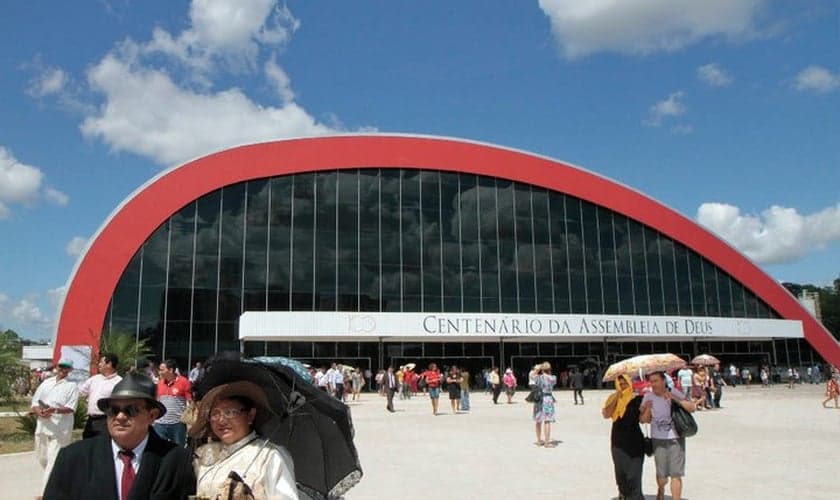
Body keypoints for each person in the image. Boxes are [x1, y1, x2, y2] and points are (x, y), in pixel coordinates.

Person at [43, 372, 196, 499]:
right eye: (114, 410)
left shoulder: (177, 460)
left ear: (152, 415)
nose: (120, 417)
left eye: (131, 410)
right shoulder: (73, 457)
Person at [190, 381, 298, 499]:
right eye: (215, 414)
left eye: (230, 412)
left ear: (250, 415)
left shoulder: (269, 456)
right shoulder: (206, 454)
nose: (221, 420)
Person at [640, 372, 696, 500]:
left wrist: (674, 398)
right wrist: (648, 409)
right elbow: (643, 420)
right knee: (661, 474)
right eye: (651, 381)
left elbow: (692, 408)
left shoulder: (674, 392)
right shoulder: (648, 396)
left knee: (676, 473)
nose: (653, 384)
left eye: (656, 381)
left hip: (675, 437)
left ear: (663, 381)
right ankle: (661, 489)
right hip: (658, 438)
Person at [31, 359, 80, 491]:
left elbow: (71, 408)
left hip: (60, 428)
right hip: (43, 425)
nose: (63, 369)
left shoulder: (72, 386)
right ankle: (61, 478)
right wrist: (39, 411)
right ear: (57, 367)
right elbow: (35, 401)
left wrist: (54, 410)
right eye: (61, 366)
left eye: (66, 367)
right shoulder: (47, 383)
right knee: (42, 457)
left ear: (70, 370)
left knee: (53, 459)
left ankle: (45, 492)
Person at [602, 374, 645, 500]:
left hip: (634, 439)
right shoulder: (613, 397)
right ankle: (623, 495)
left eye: (625, 383)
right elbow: (607, 414)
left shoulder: (637, 398)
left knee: (634, 472)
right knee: (620, 471)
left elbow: (643, 419)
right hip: (618, 439)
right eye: (620, 384)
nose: (623, 386)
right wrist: (617, 397)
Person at [80, 353, 123, 439]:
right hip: (90, 420)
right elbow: (80, 392)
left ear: (109, 364)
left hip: (106, 420)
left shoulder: (119, 382)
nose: (99, 364)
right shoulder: (94, 379)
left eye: (101, 362)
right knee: (87, 444)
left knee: (102, 445)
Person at [155, 359, 192, 446]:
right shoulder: (159, 383)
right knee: (158, 448)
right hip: (160, 423)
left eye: (162, 370)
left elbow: (190, 402)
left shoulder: (184, 382)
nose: (159, 372)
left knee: (178, 449)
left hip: (177, 424)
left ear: (171, 370)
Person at [532, 362, 557, 447]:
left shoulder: (539, 378)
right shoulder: (553, 378)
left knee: (538, 420)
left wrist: (537, 369)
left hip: (539, 400)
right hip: (548, 399)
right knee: (547, 421)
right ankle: (547, 442)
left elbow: (532, 375)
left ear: (542, 369)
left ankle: (539, 441)